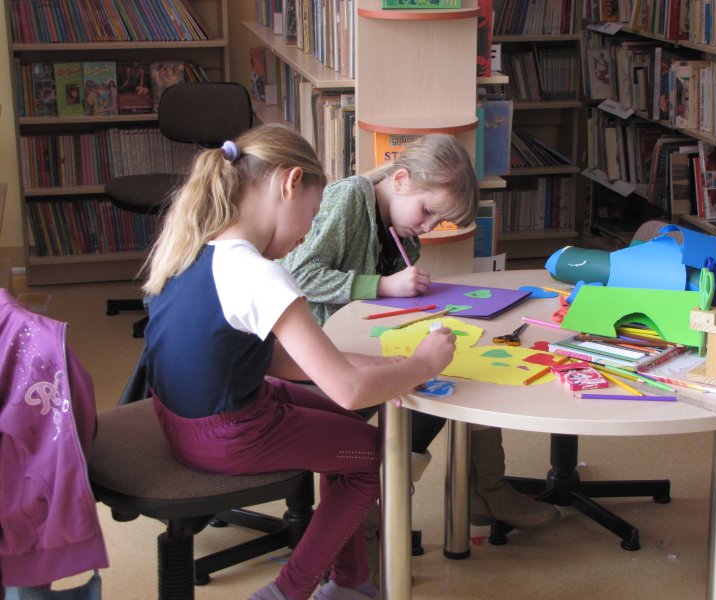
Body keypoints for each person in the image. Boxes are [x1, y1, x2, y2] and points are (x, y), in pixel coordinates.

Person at [140, 123, 457, 600]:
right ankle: (290, 591)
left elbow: (270, 357)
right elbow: (348, 391)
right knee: (373, 457)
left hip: (185, 417)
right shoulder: (260, 275)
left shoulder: (196, 245)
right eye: (312, 215)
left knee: (345, 431)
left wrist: (371, 364)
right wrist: (423, 365)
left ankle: (352, 582)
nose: (308, 233)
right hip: (226, 433)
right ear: (290, 184)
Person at [279, 134, 558, 575]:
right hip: (315, 353)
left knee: (460, 368)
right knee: (429, 383)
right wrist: (382, 285)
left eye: (439, 221)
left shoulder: (400, 225)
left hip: (361, 341)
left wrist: (406, 280)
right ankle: (367, 526)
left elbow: (389, 294)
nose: (429, 226)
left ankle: (486, 489)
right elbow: (297, 276)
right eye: (428, 212)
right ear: (401, 180)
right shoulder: (349, 198)